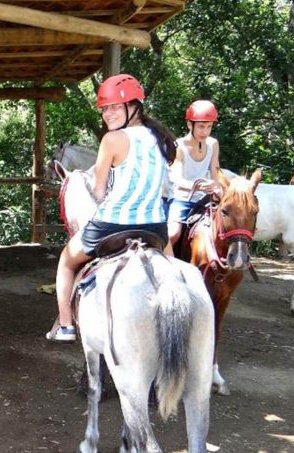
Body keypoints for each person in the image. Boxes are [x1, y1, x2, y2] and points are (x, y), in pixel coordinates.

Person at [45, 74, 177, 342]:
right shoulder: (162, 139)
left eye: (115, 106)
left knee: (66, 262)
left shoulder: (112, 140)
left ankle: (67, 325)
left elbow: (98, 190)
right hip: (155, 227)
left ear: (134, 106)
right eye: (105, 108)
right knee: (174, 272)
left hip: (112, 225)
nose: (108, 114)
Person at [166, 100, 222, 250]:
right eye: (201, 126)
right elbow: (177, 180)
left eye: (209, 127)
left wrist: (216, 187)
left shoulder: (213, 144)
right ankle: (159, 265)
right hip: (181, 199)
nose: (205, 132)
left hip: (205, 200)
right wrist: (200, 186)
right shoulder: (179, 146)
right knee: (173, 234)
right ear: (190, 125)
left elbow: (216, 173)